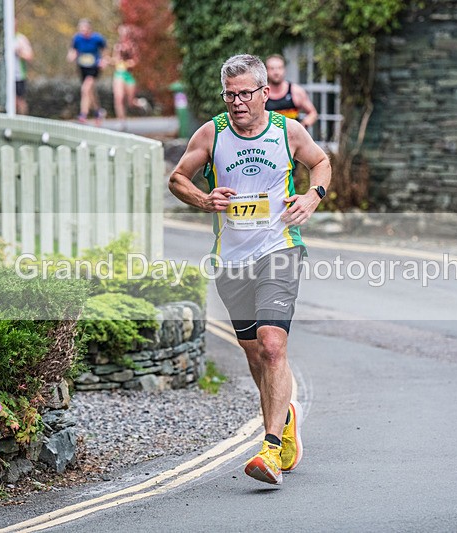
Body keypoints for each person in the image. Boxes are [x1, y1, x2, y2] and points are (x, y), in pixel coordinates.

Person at [168, 54, 331, 485]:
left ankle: (271, 448)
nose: (238, 102)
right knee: (255, 354)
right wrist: (203, 199)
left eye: (245, 94)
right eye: (230, 94)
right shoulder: (212, 133)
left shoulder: (286, 130)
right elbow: (177, 179)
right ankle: (286, 415)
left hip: (280, 249)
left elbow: (322, 162)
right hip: (232, 258)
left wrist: (313, 195)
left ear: (264, 93)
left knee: (273, 344)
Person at [67, 19, 106, 125]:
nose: (83, 32)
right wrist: (71, 56)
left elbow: (104, 50)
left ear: (89, 29)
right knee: (90, 91)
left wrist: (103, 61)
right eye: (81, 30)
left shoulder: (97, 38)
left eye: (85, 30)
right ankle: (98, 112)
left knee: (85, 89)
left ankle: (83, 114)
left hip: (94, 68)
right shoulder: (77, 39)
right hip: (83, 68)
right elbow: (73, 50)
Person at [265, 54, 318, 129]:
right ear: (266, 71)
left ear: (284, 70)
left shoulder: (296, 91)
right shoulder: (261, 94)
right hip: (269, 138)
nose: (276, 72)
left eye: (279, 68)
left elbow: (313, 113)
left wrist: (302, 126)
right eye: (272, 68)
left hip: (292, 138)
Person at [111, 25, 140, 123]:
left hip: (128, 75)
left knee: (131, 102)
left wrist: (128, 64)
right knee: (119, 97)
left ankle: (140, 103)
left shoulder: (132, 46)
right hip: (119, 74)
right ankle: (121, 120)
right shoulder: (117, 47)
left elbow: (135, 61)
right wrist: (110, 61)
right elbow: (115, 60)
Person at [14, 21, 34, 115]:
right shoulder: (4, 38)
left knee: (20, 100)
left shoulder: (20, 39)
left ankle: (22, 119)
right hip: (6, 76)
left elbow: (29, 56)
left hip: (18, 75)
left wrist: (19, 53)